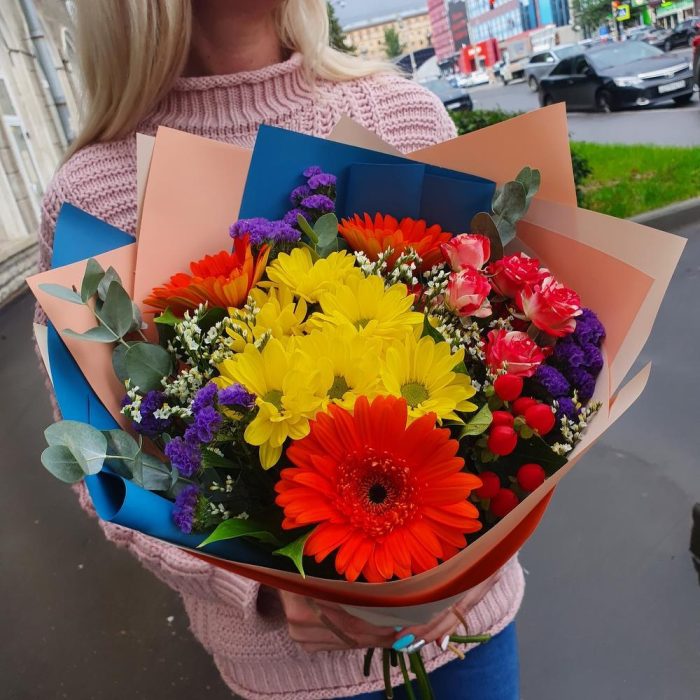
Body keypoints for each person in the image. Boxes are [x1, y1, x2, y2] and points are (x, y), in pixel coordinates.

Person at [35, 1, 524, 698]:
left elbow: (517, 358)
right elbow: (102, 460)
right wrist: (258, 585)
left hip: (465, 630)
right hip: (287, 664)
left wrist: (486, 547)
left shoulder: (401, 116)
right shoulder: (94, 192)